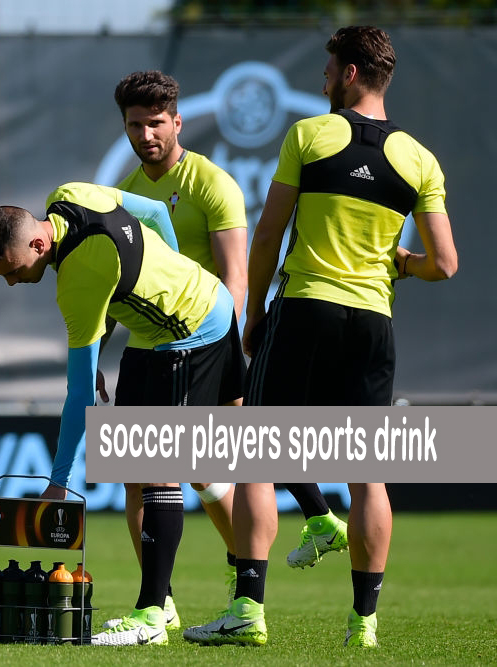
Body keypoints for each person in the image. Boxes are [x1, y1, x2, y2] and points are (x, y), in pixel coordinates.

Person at [184, 25, 457, 649]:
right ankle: (364, 624)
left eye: (330, 69)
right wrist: (400, 263)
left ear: (351, 73)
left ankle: (248, 610)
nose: (324, 79)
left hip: (305, 308)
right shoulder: (420, 159)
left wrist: (254, 314)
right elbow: (444, 264)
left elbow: (267, 234)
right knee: (368, 475)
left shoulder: (309, 136)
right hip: (373, 321)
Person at [0, 181, 245, 647]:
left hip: (192, 328)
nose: (12, 282)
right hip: (158, 331)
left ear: (38, 244)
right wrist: (172, 264)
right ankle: (169, 602)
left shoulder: (78, 281)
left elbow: (80, 394)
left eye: (13, 271)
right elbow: (156, 210)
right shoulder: (70, 194)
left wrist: (59, 480)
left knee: (161, 470)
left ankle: (154, 615)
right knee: (137, 471)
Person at [106, 69, 246, 628]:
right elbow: (115, 282)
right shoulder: (126, 195)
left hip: (199, 346)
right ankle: (159, 602)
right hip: (143, 348)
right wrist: (95, 350)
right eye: (135, 125)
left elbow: (235, 279)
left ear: (178, 122)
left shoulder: (212, 183)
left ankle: (246, 582)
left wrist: (225, 354)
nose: (146, 135)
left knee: (196, 473)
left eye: (156, 123)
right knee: (138, 477)